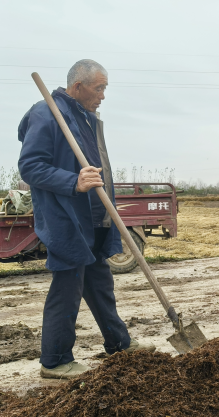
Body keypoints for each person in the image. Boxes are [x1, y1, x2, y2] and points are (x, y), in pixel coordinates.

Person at [18, 59, 155, 380]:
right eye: (99, 88)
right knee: (67, 287)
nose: (103, 95)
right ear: (78, 87)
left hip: (95, 218)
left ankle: (118, 343)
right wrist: (73, 182)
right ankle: (55, 361)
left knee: (100, 284)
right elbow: (30, 167)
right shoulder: (48, 113)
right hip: (68, 219)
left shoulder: (85, 118)